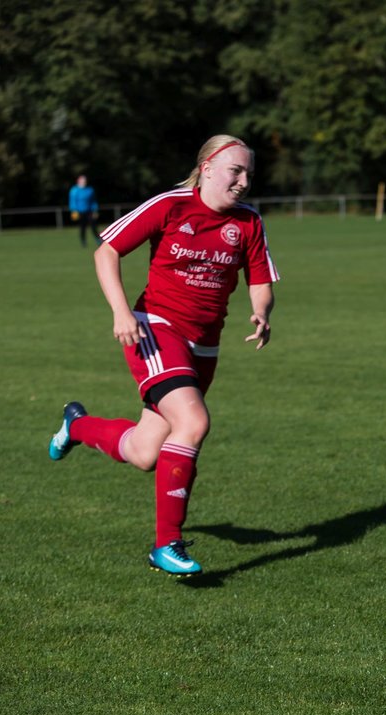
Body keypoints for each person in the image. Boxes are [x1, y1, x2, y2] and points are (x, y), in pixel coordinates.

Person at [48, 135, 280, 576]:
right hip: (154, 328)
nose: (245, 181)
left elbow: (260, 280)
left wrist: (261, 313)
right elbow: (107, 250)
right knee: (193, 423)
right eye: (236, 171)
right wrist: (120, 312)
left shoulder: (249, 222)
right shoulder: (171, 205)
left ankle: (76, 425)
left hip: (204, 345)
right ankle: (166, 545)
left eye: (250, 173)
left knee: (143, 451)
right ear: (208, 167)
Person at [68, 174, 101, 247]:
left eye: (85, 181)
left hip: (89, 211)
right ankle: (83, 241)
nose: (84, 182)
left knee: (93, 226)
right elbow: (73, 201)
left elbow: (93, 201)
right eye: (82, 181)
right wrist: (74, 211)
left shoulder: (90, 190)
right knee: (82, 227)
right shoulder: (74, 190)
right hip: (79, 212)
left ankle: (98, 240)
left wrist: (95, 210)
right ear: (78, 181)